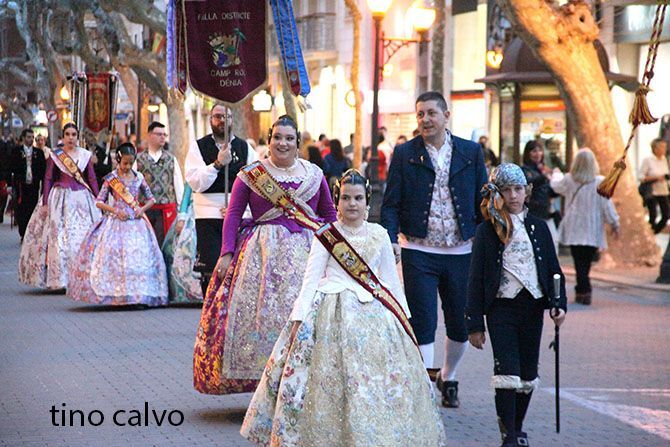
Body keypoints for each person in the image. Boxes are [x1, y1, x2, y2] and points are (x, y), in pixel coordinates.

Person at [240, 170, 446, 446]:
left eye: (358, 198)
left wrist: (404, 320)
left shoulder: (380, 235)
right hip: (331, 315)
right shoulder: (326, 235)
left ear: (367, 201)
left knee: (376, 382)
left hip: (376, 317)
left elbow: (391, 281)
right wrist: (298, 318)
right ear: (337, 201)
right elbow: (310, 279)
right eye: (346, 198)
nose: (352, 204)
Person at [193, 115, 337, 395]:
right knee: (262, 318)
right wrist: (226, 252)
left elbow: (329, 214)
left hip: (308, 258)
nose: (283, 143)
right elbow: (233, 214)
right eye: (277, 137)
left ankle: (304, 383)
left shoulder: (313, 174)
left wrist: (335, 253)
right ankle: (266, 386)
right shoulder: (251, 175)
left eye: (289, 138)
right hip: (260, 259)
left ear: (298, 143)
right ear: (269, 141)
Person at [381, 91, 487, 408]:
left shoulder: (471, 152)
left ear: (446, 116)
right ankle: (426, 389)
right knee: (423, 321)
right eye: (420, 114)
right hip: (418, 250)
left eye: (431, 113)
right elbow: (391, 203)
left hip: (461, 251)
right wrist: (391, 239)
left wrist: (486, 243)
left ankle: (448, 375)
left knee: (460, 324)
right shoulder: (405, 153)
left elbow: (483, 201)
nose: (425, 119)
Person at [466, 163, 566, 447]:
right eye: (506, 190)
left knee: (528, 372)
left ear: (527, 191)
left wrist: (558, 304)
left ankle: (517, 426)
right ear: (497, 193)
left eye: (518, 189)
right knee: (506, 371)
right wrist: (474, 324)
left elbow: (554, 270)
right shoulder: (487, 231)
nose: (513, 195)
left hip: (532, 306)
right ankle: (508, 434)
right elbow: (475, 279)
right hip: (501, 307)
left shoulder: (539, 227)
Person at [67, 143, 168, 307]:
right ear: (118, 161)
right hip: (115, 222)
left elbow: (151, 199)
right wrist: (115, 210)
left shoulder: (138, 177)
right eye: (125, 163)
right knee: (115, 258)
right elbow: (99, 201)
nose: (128, 167)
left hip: (137, 224)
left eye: (131, 163)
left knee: (138, 259)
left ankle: (138, 295)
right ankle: (116, 294)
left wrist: (141, 209)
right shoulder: (111, 179)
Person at [18, 123, 101, 289]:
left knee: (83, 237)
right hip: (60, 199)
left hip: (82, 199)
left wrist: (99, 200)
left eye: (74, 134)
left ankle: (83, 276)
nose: (71, 138)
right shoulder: (56, 155)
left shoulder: (85, 155)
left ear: (78, 137)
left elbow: (91, 178)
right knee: (58, 239)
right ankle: (60, 278)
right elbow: (48, 178)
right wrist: (45, 202)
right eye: (68, 134)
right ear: (63, 136)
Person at [185, 105, 257, 296]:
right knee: (211, 267)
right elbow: (195, 182)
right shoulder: (198, 147)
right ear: (210, 120)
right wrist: (217, 165)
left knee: (237, 266)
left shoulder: (245, 148)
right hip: (208, 216)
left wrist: (237, 208)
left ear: (232, 120)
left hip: (237, 215)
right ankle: (210, 304)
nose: (223, 120)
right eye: (218, 116)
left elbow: (254, 183)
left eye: (227, 116)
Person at [550, 148, 620, 305]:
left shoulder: (569, 179)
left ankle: (582, 289)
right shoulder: (600, 181)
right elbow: (607, 205)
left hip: (574, 226)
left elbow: (555, 186)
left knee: (578, 260)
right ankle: (584, 289)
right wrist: (614, 223)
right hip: (592, 228)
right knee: (586, 261)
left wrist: (555, 173)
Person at [134, 121, 184, 247]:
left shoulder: (171, 159)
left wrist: (181, 213)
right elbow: (132, 185)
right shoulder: (138, 159)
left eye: (164, 134)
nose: (162, 137)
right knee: (145, 244)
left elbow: (178, 186)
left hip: (165, 210)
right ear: (149, 135)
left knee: (163, 245)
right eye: (159, 134)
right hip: (145, 209)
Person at [161, 183, 202, 303]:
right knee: (180, 249)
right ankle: (182, 294)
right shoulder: (194, 175)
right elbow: (186, 197)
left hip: (208, 213)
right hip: (192, 214)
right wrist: (182, 218)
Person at [521, 140, 559, 251]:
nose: (537, 154)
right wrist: (544, 176)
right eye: (534, 151)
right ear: (528, 153)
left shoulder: (543, 169)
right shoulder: (525, 170)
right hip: (533, 212)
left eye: (539, 151)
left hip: (546, 213)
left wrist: (558, 187)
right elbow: (529, 183)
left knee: (552, 243)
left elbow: (548, 191)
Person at [9, 128, 47, 240]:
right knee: (21, 209)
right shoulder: (16, 151)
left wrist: (43, 187)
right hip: (21, 185)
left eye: (32, 137)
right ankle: (22, 232)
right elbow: (11, 167)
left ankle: (29, 233)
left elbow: (43, 171)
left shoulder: (38, 153)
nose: (31, 139)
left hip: (33, 186)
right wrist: (10, 184)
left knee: (31, 208)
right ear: (23, 138)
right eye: (28, 137)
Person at [639, 138, 669, 234]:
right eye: (662, 147)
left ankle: (653, 233)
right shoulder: (648, 160)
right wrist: (656, 177)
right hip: (652, 192)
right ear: (655, 148)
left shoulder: (664, 159)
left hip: (663, 190)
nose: (664, 149)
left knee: (666, 215)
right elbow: (641, 176)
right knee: (653, 216)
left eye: (665, 147)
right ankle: (649, 234)